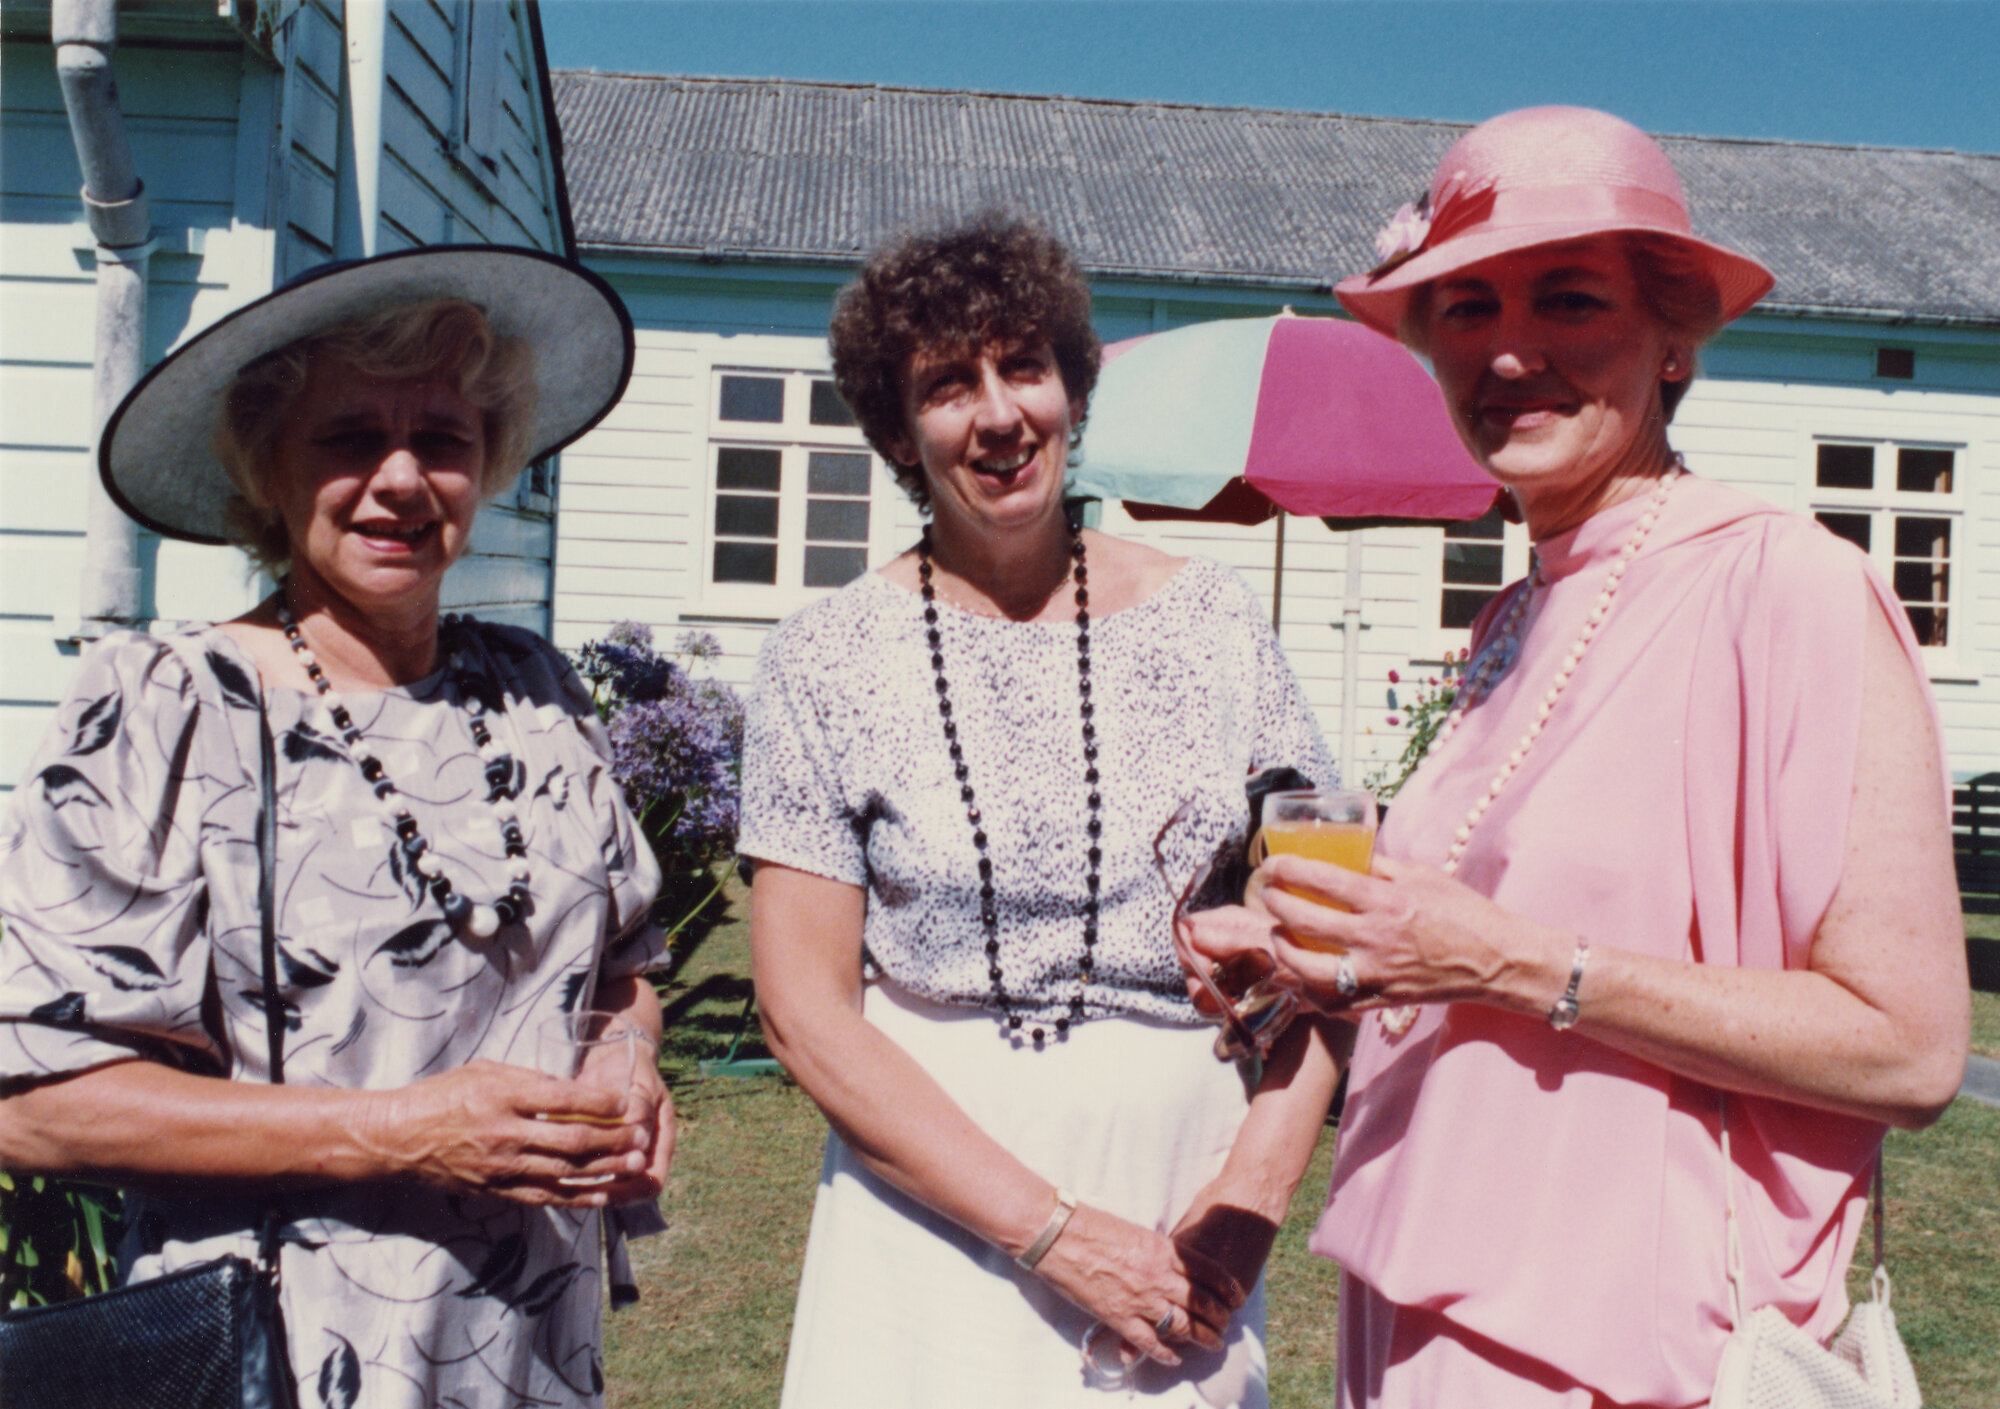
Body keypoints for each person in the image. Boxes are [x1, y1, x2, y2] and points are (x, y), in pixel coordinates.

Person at [1184, 105, 1971, 1405]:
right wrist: (1316, 969)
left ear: (1675, 338)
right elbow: (1460, 957)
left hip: (1628, 1351)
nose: (1508, 353)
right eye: (1466, 310)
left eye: (1569, 302)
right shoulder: (1514, 612)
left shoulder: (1791, 590)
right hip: (1411, 1298)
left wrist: (1509, 961)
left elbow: (1908, 1048)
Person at [0, 246, 671, 1406]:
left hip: (527, 1345)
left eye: (443, 441)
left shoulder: (533, 692)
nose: (402, 479)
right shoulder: (168, 705)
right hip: (277, 1349)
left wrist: (627, 1056)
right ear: (267, 470)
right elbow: (33, 1102)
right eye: (349, 437)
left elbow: (616, 967)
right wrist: (405, 1128)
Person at [740, 211, 1344, 1408]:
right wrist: (1051, 1232)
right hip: (927, 1201)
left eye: (1023, 365)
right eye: (947, 386)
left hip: (1184, 1209)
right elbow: (802, 1011)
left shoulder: (1214, 623)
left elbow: (1333, 945)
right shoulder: (824, 659)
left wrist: (1251, 1202)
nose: (999, 413)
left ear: (1071, 384)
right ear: (896, 433)